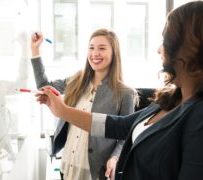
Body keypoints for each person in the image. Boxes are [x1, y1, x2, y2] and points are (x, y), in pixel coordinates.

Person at [36, 1, 203, 180]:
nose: (159, 49)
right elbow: (120, 126)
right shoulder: (171, 98)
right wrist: (62, 111)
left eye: (165, 39)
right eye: (91, 48)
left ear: (191, 47)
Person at [30, 28, 138, 180]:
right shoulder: (77, 80)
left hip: (93, 172)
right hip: (68, 165)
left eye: (102, 48)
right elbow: (44, 86)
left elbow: (126, 136)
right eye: (91, 48)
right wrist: (35, 50)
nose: (95, 53)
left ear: (114, 53)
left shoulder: (125, 93)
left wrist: (114, 158)